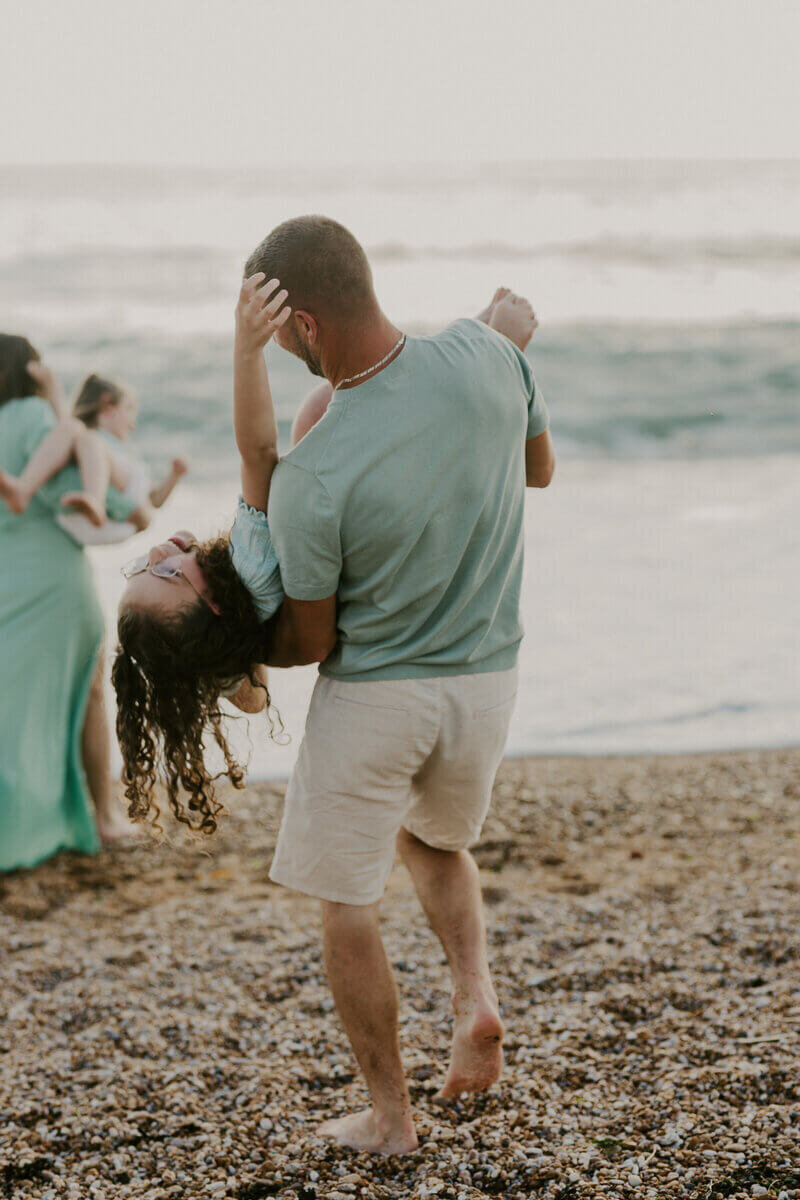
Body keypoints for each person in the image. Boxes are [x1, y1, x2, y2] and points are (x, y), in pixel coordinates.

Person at [113, 213, 553, 1156]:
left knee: (347, 902)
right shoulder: (486, 357)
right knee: (435, 839)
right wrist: (496, 346)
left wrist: (250, 663)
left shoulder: (310, 480)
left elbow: (311, 639)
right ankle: (474, 996)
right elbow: (538, 468)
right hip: (488, 680)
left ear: (304, 327)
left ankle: (391, 1120)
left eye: (277, 335)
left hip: (381, 697)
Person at [0, 336, 141, 871]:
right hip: (55, 583)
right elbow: (117, 501)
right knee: (87, 696)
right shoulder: (40, 419)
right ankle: (103, 816)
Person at [0, 372, 189, 530]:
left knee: (79, 432)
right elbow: (62, 423)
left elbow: (155, 501)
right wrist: (49, 383)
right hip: (90, 511)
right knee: (73, 428)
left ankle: (94, 502)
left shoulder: (125, 453)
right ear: (107, 406)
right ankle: (24, 490)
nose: (134, 422)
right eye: (129, 409)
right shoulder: (90, 438)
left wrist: (174, 476)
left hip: (122, 510)